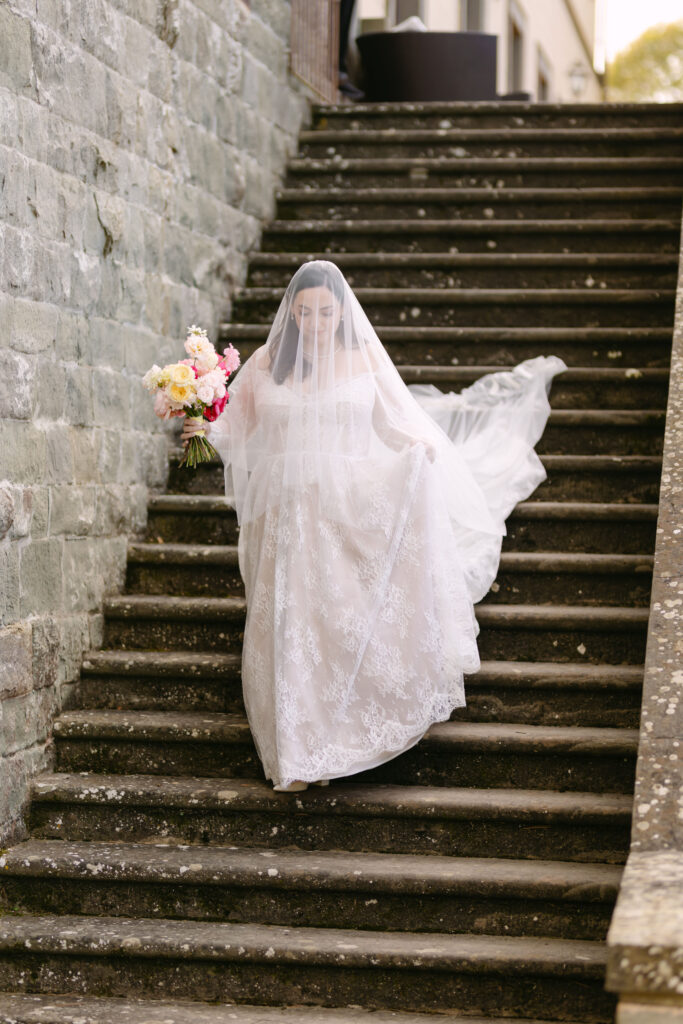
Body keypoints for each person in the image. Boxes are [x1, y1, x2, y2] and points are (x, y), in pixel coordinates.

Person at [181, 260, 567, 792]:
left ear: (340, 311)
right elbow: (235, 430)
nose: (315, 320)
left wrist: (419, 454)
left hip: (346, 510)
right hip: (286, 520)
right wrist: (200, 422)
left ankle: (336, 737)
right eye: (305, 311)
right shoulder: (270, 363)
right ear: (291, 312)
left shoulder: (361, 358)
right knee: (291, 628)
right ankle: (293, 753)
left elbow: (392, 426)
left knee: (334, 624)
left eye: (324, 311)